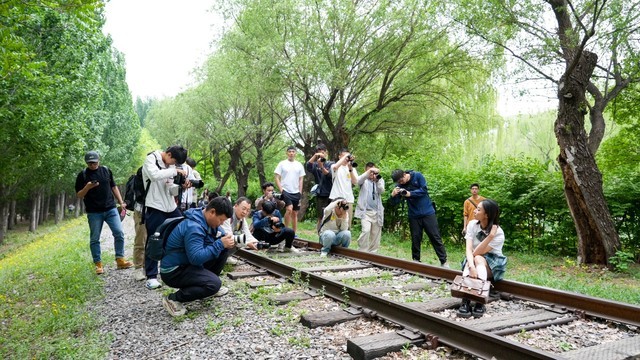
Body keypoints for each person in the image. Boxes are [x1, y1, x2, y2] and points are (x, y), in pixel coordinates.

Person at [160, 197, 234, 317]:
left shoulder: (205, 221)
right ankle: (173, 299)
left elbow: (221, 238)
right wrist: (220, 243)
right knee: (214, 284)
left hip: (187, 264)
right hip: (174, 270)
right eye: (221, 220)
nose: (220, 224)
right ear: (212, 212)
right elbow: (196, 258)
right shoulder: (194, 227)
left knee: (224, 249)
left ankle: (206, 285)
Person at [75, 150, 133, 275]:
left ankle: (120, 259)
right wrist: (87, 187)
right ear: (86, 163)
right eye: (90, 163)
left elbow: (113, 186)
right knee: (95, 238)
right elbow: (79, 195)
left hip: (110, 208)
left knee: (119, 233)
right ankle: (98, 264)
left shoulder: (106, 170)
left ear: (98, 161)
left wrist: (121, 202)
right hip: (94, 212)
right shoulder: (83, 175)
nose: (92, 165)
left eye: (94, 162)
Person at [142, 145, 189, 290]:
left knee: (184, 230)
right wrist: (174, 171)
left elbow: (170, 189)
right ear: (168, 154)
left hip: (171, 207)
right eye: (173, 161)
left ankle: (181, 268)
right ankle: (151, 276)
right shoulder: (151, 159)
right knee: (154, 239)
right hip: (155, 206)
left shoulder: (170, 168)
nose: (172, 165)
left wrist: (181, 186)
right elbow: (154, 175)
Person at [456, 199, 507, 318]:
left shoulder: (498, 233)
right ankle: (467, 300)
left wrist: (490, 236)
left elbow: (478, 252)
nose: (474, 211)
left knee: (478, 257)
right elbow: (469, 250)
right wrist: (472, 266)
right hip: (472, 259)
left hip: (492, 263)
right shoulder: (472, 225)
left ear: (487, 215)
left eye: (478, 209)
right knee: (475, 259)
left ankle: (478, 300)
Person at [390, 169, 449, 267]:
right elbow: (394, 203)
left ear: (405, 175)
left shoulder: (417, 176)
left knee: (435, 236)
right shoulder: (400, 186)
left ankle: (444, 261)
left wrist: (410, 193)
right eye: (398, 182)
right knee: (416, 238)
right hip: (413, 215)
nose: (401, 183)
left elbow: (424, 190)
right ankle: (416, 261)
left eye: (401, 181)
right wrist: (393, 195)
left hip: (427, 212)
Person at [274, 146, 306, 233]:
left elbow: (301, 179)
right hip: (286, 190)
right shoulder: (282, 164)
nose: (291, 153)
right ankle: (285, 230)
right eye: (290, 151)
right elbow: (276, 177)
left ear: (295, 153)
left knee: (295, 213)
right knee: (289, 209)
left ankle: (294, 233)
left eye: (293, 151)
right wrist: (281, 190)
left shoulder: (299, 165)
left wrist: (300, 191)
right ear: (287, 153)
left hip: (296, 192)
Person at [355, 163, 385, 253]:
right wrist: (369, 172)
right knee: (366, 230)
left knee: (376, 234)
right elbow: (358, 180)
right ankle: (362, 250)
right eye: (370, 172)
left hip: (377, 212)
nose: (372, 174)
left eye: (374, 172)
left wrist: (377, 180)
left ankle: (373, 252)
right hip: (365, 212)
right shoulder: (364, 180)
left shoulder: (380, 180)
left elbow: (381, 190)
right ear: (366, 171)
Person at [220, 197, 258, 265]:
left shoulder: (242, 219)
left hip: (227, 239)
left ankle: (226, 257)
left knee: (240, 239)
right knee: (239, 240)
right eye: (243, 209)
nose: (245, 212)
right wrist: (247, 243)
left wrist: (256, 243)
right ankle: (220, 259)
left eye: (248, 210)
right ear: (236, 206)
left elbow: (247, 234)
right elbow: (227, 235)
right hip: (219, 239)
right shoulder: (228, 215)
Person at [306, 143, 334, 230]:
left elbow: (329, 175)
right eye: (319, 153)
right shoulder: (315, 164)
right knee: (320, 217)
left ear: (326, 152)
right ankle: (319, 233)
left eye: (323, 152)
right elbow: (308, 166)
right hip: (321, 194)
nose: (321, 155)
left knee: (331, 216)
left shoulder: (331, 164)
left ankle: (330, 233)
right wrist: (315, 156)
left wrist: (321, 166)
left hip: (332, 193)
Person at [329, 149, 358, 229]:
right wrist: (346, 156)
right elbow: (335, 167)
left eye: (348, 156)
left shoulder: (352, 168)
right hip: (336, 198)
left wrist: (350, 169)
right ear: (339, 156)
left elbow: (355, 182)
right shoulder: (335, 166)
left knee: (347, 225)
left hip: (348, 199)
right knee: (334, 224)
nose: (346, 158)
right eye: (344, 156)